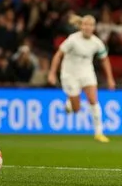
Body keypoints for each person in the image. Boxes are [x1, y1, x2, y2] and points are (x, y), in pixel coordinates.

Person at [48, 14, 115, 143]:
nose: (88, 27)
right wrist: (52, 73)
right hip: (69, 73)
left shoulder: (97, 42)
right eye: (85, 25)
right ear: (81, 26)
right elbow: (58, 55)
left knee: (93, 100)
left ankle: (99, 132)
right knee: (76, 109)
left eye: (90, 25)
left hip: (86, 72)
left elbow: (104, 60)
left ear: (94, 27)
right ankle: (70, 103)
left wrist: (110, 78)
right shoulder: (72, 39)